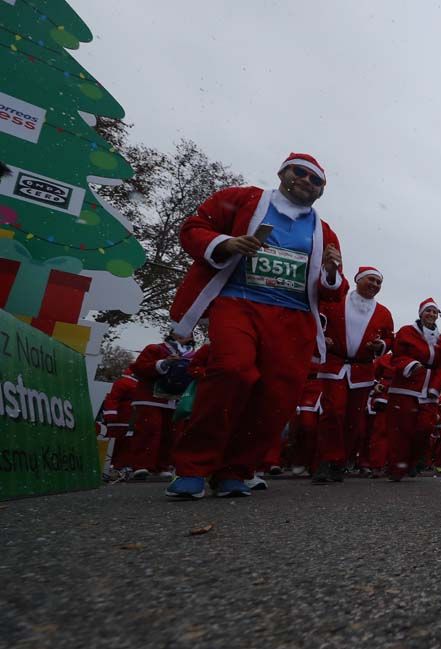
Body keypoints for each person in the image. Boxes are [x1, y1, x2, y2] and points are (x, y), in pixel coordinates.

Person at [166, 152, 345, 499]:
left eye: (316, 180)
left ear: (322, 190)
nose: (307, 182)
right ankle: (192, 467)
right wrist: (226, 243)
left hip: (293, 317)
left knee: (276, 396)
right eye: (300, 173)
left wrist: (331, 271)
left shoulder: (324, 232)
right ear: (282, 173)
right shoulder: (241, 199)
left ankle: (236, 469)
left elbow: (332, 293)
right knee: (231, 371)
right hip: (240, 302)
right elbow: (192, 229)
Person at [313, 265, 394, 482]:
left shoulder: (384, 312)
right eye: (371, 280)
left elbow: (389, 339)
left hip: (362, 370)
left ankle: (340, 462)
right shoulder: (336, 301)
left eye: (378, 283)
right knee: (333, 412)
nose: (375, 285)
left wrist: (380, 345)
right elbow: (318, 323)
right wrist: (322, 338)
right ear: (358, 280)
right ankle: (325, 461)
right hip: (335, 364)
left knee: (353, 419)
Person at [384, 298, 441, 481]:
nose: (431, 314)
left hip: (428, 390)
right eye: (428, 311)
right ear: (421, 313)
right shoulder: (407, 332)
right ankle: (396, 467)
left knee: (425, 427)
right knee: (401, 429)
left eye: (435, 312)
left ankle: (412, 461)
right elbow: (397, 355)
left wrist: (436, 386)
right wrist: (410, 365)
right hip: (406, 386)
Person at [126, 335, 196, 479]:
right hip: (151, 397)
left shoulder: (194, 354)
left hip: (177, 400)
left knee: (172, 433)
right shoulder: (155, 348)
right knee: (149, 429)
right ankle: (141, 465)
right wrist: (164, 363)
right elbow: (139, 368)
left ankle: (163, 465)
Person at [99, 367, 139, 477]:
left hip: (126, 419)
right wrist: (111, 414)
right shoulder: (125, 383)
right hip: (122, 419)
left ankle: (118, 466)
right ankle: (115, 466)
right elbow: (113, 399)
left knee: (123, 443)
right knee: (120, 443)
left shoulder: (127, 383)